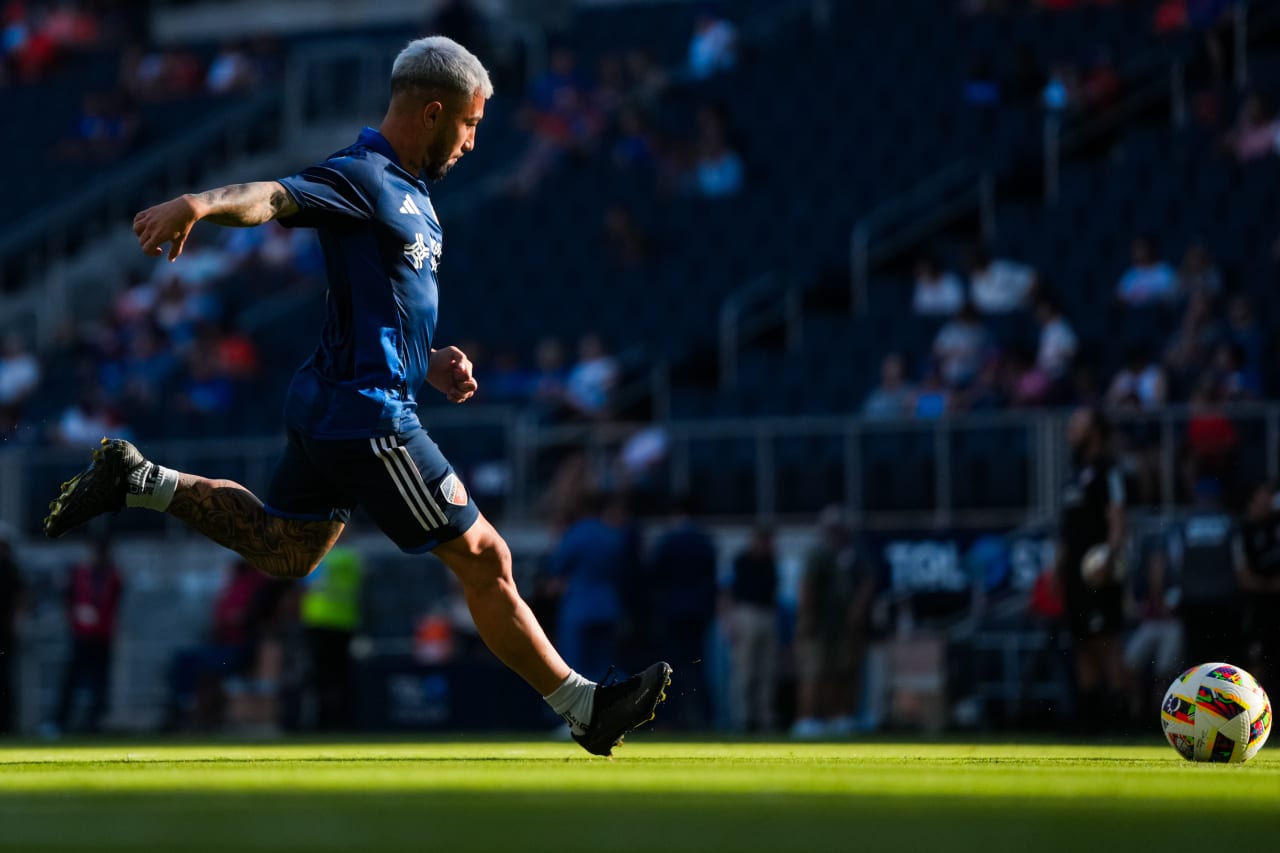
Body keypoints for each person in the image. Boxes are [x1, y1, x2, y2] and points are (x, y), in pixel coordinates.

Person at [42, 36, 669, 757]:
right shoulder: (362, 176)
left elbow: (382, 305)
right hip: (369, 414)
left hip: (335, 401)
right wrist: (197, 203)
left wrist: (426, 361)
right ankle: (584, 704)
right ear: (433, 112)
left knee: (286, 550)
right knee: (484, 555)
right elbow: (275, 197)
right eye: (469, 125)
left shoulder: (414, 197)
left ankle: (139, 480)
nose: (472, 141)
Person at [1055, 407, 1128, 732]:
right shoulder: (1074, 472)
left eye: (1078, 423)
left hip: (1098, 572)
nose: (1071, 428)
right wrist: (1058, 568)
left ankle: (1123, 717)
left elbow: (1117, 518)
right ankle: (1089, 720)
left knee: (1106, 642)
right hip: (1073, 573)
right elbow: (1067, 528)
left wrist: (1109, 558)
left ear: (1095, 431)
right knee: (1081, 641)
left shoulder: (1107, 470)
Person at [792, 507, 875, 738]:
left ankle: (837, 716)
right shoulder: (817, 553)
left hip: (842, 626)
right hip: (820, 624)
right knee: (815, 672)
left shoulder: (852, 553)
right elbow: (806, 587)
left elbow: (867, 582)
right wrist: (807, 618)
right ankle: (807, 718)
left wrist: (857, 610)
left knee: (842, 672)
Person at [647, 495, 718, 729]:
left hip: (672, 612)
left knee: (671, 666)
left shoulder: (668, 542)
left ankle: (671, 716)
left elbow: (655, 576)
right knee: (699, 664)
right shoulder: (705, 542)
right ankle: (704, 717)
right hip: (698, 612)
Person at [50, 538, 123, 735]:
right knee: (71, 680)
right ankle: (58, 722)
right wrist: (76, 616)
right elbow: (70, 600)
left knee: (99, 682)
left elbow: (113, 604)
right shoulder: (80, 574)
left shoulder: (113, 576)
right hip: (82, 635)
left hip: (102, 635)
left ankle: (93, 724)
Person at [300, 546, 365, 730]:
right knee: (342, 676)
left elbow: (306, 584)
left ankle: (321, 722)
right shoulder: (352, 557)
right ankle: (345, 721)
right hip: (346, 622)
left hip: (318, 620)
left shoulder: (318, 556)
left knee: (320, 676)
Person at [724, 524, 779, 733]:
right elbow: (727, 591)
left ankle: (764, 717)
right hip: (746, 613)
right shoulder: (741, 561)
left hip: (767, 615)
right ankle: (743, 718)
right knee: (744, 670)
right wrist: (730, 620)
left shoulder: (770, 562)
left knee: (767, 671)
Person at [1237, 482, 1280, 688]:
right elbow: (1243, 576)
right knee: (1257, 660)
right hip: (1257, 608)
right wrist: (1271, 585)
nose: (1269, 500)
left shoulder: (1276, 524)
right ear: (1253, 500)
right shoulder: (1243, 531)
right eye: (1264, 495)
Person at [0, 528, 25, 734]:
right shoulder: (12, 568)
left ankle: (7, 721)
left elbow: (20, 600)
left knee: (6, 677)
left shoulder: (11, 569)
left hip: (5, 631)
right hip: (6, 631)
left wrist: (16, 623)